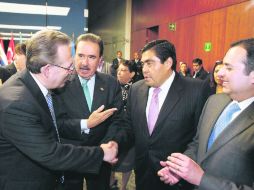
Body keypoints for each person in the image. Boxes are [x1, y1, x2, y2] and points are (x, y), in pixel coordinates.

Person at [0, 29, 117, 190]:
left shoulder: (30, 84)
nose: (71, 73)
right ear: (47, 69)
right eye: (69, 67)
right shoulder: (18, 104)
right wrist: (102, 153)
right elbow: (50, 153)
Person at [111, 39, 209, 190]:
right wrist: (116, 142)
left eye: (150, 63)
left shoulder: (196, 90)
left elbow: (200, 137)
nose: (144, 69)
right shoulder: (136, 89)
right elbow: (129, 126)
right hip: (143, 173)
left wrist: (179, 168)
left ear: (168, 62)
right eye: (143, 64)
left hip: (177, 179)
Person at [158, 38, 254, 190]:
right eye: (222, 66)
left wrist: (201, 178)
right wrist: (180, 170)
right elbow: (198, 144)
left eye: (229, 68)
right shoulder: (214, 102)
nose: (220, 73)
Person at [53, 33, 123, 190]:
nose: (84, 63)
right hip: (70, 155)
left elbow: (118, 120)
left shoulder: (111, 84)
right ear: (74, 55)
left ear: (100, 60)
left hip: (101, 155)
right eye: (80, 55)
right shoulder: (59, 83)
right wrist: (86, 124)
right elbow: (56, 123)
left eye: (91, 57)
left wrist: (112, 143)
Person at [110, 60, 135, 190]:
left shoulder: (137, 90)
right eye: (118, 70)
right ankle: (112, 182)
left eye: (123, 70)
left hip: (129, 131)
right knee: (111, 160)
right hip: (113, 129)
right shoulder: (111, 87)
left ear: (132, 74)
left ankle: (124, 187)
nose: (119, 73)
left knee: (127, 162)